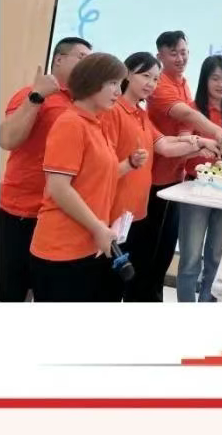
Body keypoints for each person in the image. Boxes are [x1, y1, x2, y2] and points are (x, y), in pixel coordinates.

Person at [101, 51, 221, 301]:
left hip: (135, 214)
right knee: (107, 286)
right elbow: (103, 167)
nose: (151, 84)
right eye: (145, 76)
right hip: (112, 213)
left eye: (155, 79)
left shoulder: (140, 113)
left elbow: (164, 145)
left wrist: (199, 144)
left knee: (130, 279)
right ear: (127, 73)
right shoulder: (112, 111)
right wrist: (200, 141)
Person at [29, 53, 139, 302]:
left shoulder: (96, 124)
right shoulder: (71, 123)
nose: (118, 91)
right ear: (91, 81)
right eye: (112, 83)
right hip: (61, 248)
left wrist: (130, 164)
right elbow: (59, 187)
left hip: (88, 245)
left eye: (120, 84)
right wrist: (98, 227)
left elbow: (99, 177)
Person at [0, 37, 92, 302]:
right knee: (10, 291)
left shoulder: (81, 104)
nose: (87, 65)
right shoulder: (31, 94)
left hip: (56, 215)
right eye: (81, 58)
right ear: (59, 59)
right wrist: (37, 96)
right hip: (21, 211)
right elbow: (8, 139)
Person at [143, 31, 222, 301]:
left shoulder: (183, 84)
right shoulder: (160, 85)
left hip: (176, 179)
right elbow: (186, 115)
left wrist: (200, 143)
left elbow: (186, 128)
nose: (180, 58)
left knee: (164, 253)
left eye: (183, 52)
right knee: (150, 252)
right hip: (153, 179)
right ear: (160, 56)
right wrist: (214, 134)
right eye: (173, 53)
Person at [176, 55, 222, 302]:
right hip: (195, 189)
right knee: (190, 258)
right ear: (204, 79)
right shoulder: (192, 109)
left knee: (216, 258)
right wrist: (198, 147)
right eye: (215, 78)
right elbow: (182, 143)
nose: (221, 84)